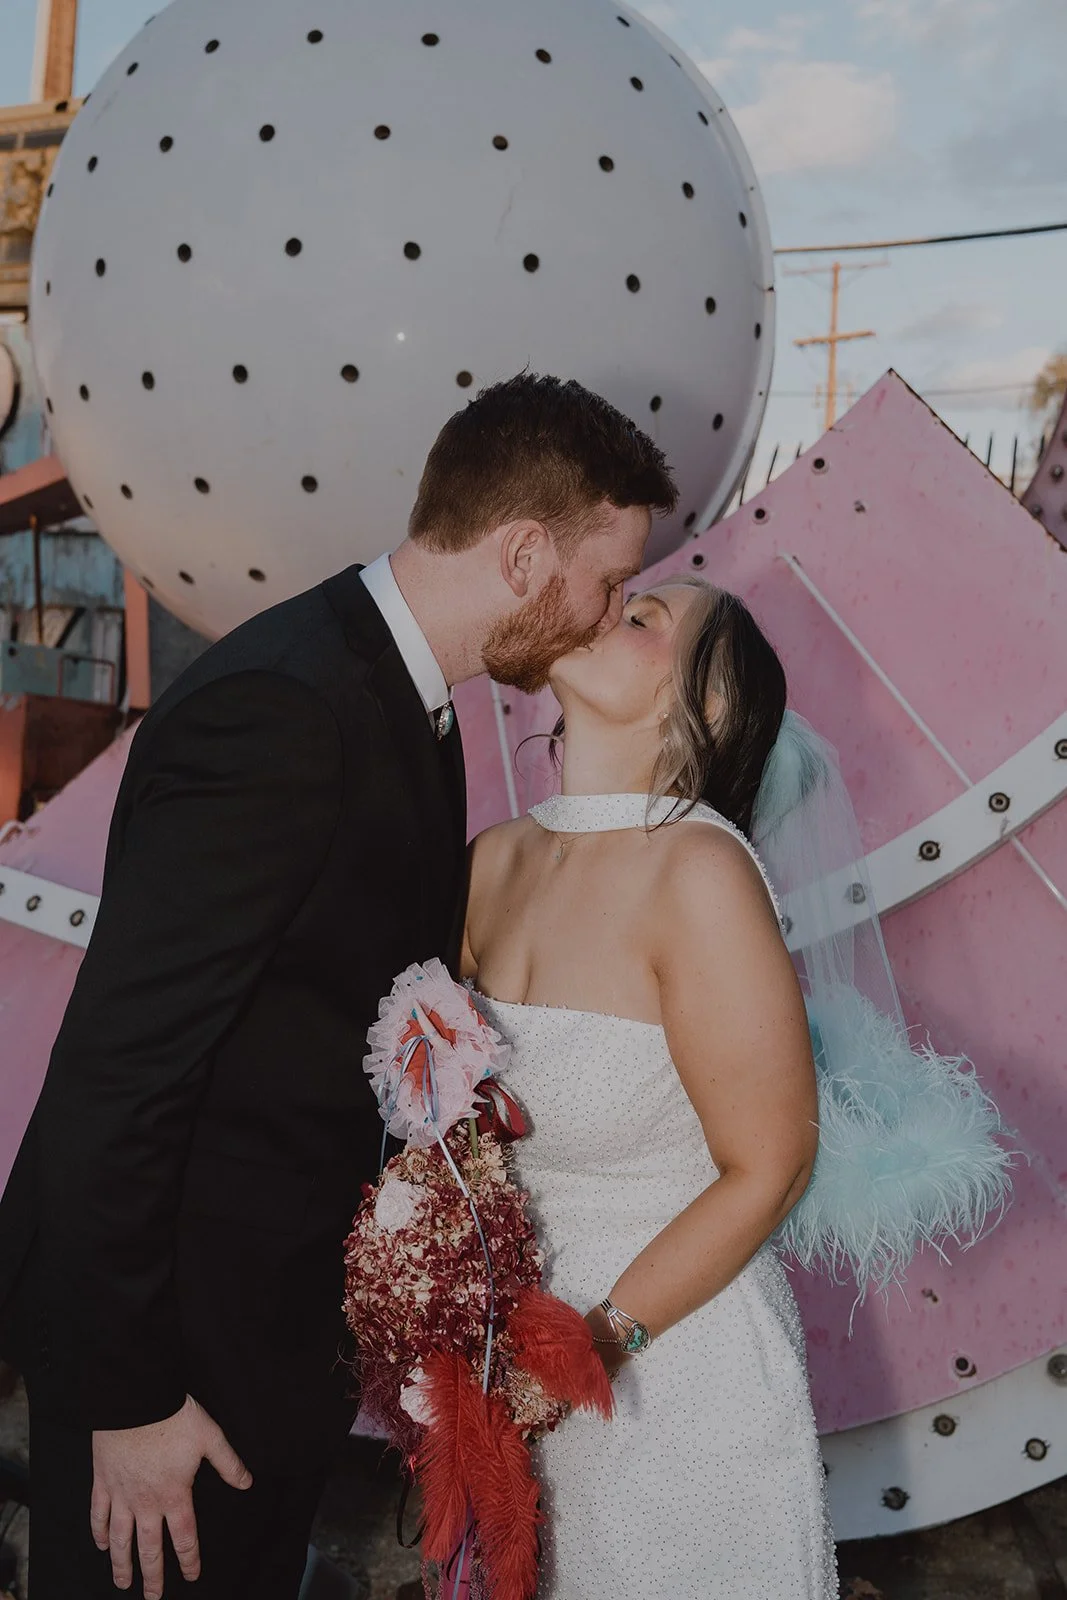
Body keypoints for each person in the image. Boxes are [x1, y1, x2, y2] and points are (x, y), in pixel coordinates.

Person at [0, 372, 676, 1600]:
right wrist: (130, 1397)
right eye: (606, 578)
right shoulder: (280, 711)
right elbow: (117, 1074)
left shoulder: (402, 700)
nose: (604, 611)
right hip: (171, 1354)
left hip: (263, 1330)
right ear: (525, 552)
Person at [463, 576, 839, 1598]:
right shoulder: (487, 860)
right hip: (505, 1379)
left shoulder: (700, 873)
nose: (600, 611)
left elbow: (771, 1164)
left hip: (675, 1381)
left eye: (641, 620)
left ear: (706, 706)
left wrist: (589, 1344)